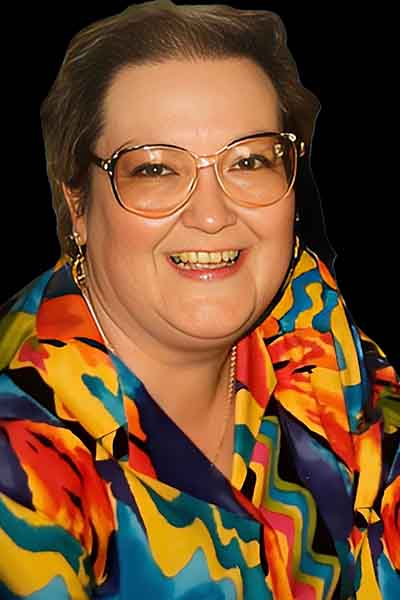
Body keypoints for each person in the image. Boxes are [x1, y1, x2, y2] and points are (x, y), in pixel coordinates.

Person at [0, 1, 398, 598]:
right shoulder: (22, 454)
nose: (212, 215)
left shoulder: (308, 328)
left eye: (249, 161)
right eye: (155, 170)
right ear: (77, 204)